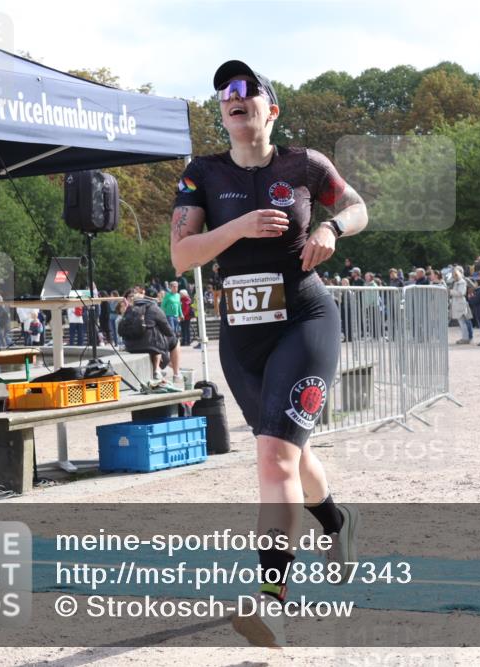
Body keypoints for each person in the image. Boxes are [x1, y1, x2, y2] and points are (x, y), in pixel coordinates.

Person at [169, 60, 367, 647]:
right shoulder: (201, 174)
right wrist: (238, 229)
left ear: (268, 108)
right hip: (242, 337)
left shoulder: (303, 164)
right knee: (285, 453)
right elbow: (182, 256)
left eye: (245, 89)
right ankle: (336, 521)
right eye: (225, 93)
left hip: (304, 321)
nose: (233, 97)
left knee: (274, 459)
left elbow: (358, 206)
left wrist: (331, 229)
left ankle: (270, 601)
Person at [120, 288, 182, 384]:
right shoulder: (154, 308)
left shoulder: (129, 310)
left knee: (153, 341)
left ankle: (159, 370)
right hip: (150, 346)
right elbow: (168, 331)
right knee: (174, 341)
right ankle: (176, 374)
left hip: (130, 346)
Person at [449, 266, 473, 344]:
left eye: (454, 275)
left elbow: (461, 293)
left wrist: (450, 291)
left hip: (460, 304)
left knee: (463, 322)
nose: (453, 276)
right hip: (457, 303)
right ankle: (465, 337)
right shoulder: (457, 282)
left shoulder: (462, 282)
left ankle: (465, 338)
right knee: (462, 322)